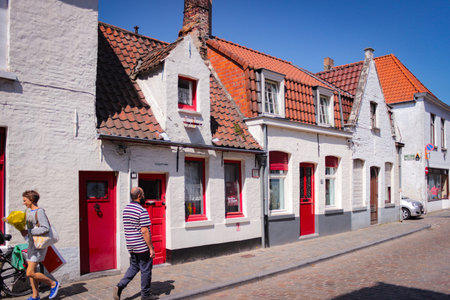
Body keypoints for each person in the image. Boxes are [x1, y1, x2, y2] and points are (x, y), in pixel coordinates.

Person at [114, 187, 156, 300]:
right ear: (139, 196)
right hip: (142, 246)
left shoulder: (126, 209)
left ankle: (120, 286)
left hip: (131, 245)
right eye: (143, 194)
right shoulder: (142, 210)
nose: (144, 196)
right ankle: (145, 295)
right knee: (146, 269)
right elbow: (144, 231)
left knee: (134, 267)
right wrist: (151, 248)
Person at [21, 190, 60, 300]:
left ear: (31, 200)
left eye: (25, 200)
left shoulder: (40, 211)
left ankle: (53, 284)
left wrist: (29, 232)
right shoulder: (30, 212)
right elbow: (31, 228)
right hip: (32, 244)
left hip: (39, 246)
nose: (23, 203)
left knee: (29, 273)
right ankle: (35, 295)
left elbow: (45, 228)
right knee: (32, 271)